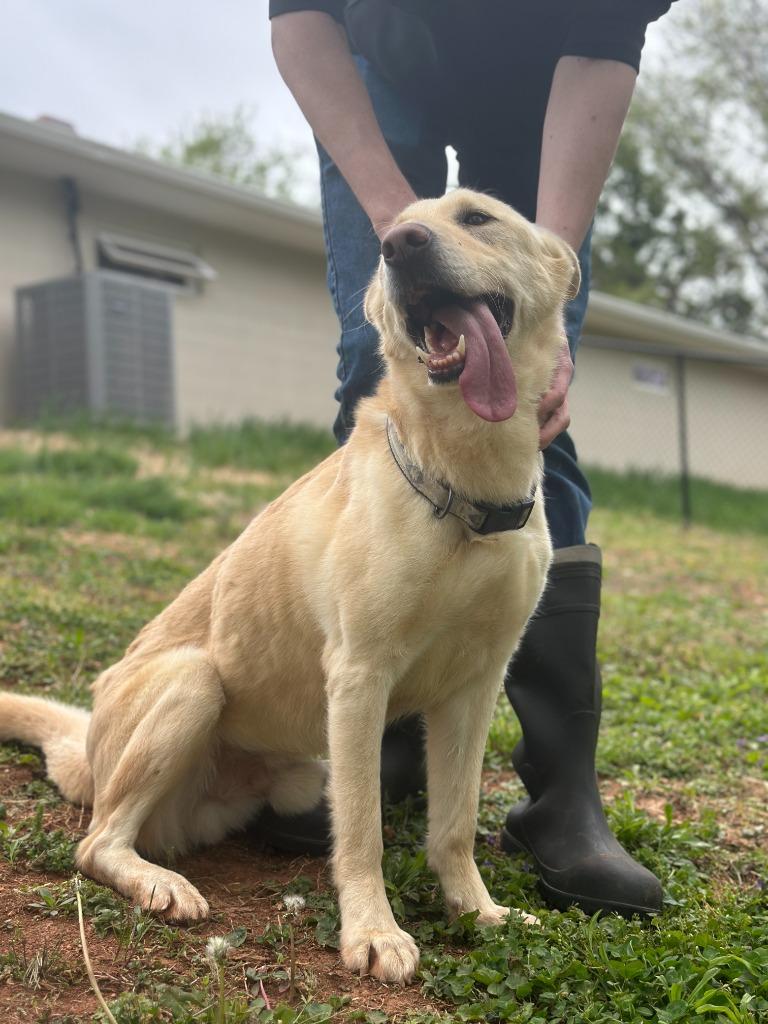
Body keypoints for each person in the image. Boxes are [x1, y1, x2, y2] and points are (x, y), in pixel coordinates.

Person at [261, 0, 677, 916]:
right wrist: (394, 225)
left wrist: (550, 290)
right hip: (373, 77)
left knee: (542, 402)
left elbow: (605, 45)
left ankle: (561, 792)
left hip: (540, 93)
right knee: (365, 372)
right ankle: (387, 741)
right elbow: (300, 21)